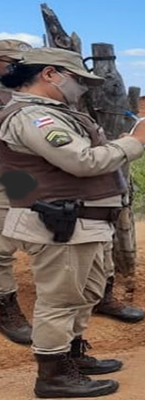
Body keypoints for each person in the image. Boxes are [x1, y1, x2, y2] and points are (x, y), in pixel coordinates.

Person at [0, 47, 145, 398]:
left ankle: (70, 356)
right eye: (78, 80)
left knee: (82, 295)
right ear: (50, 74)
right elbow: (81, 161)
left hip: (80, 224)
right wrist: (136, 142)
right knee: (58, 301)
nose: (83, 88)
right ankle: (53, 375)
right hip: (61, 225)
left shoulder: (51, 113)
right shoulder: (34, 117)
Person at [0, 39, 34, 345]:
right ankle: (6, 306)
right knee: (0, 250)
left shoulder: (28, 94)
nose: (16, 68)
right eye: (11, 62)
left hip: (31, 178)